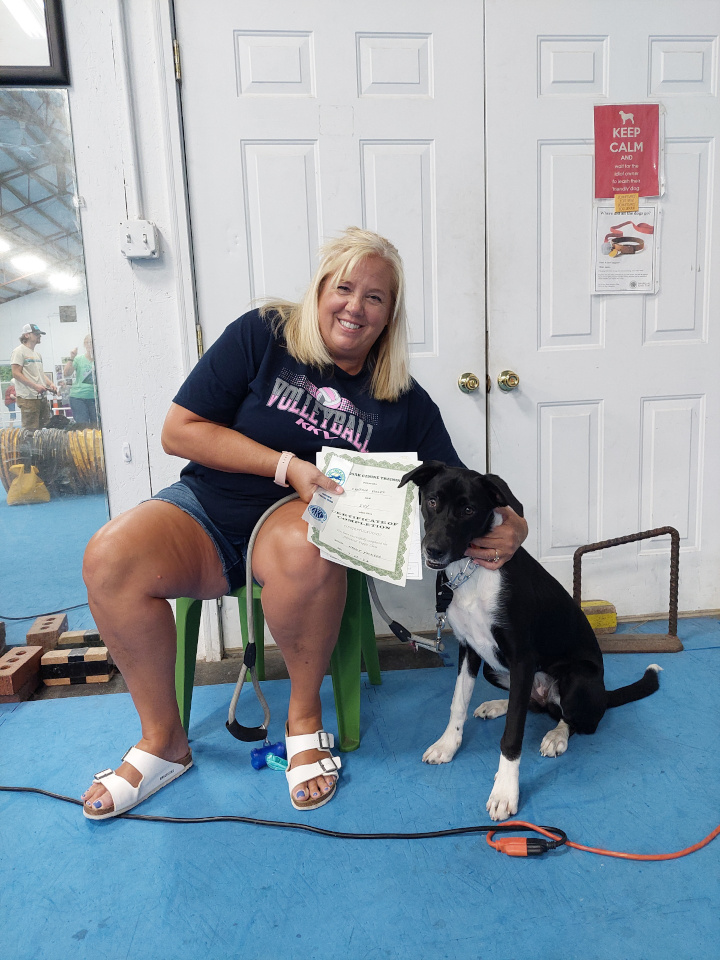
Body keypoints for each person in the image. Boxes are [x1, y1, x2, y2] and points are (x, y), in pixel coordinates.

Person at [81, 227, 528, 820]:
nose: (356, 307)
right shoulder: (262, 334)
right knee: (109, 557)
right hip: (206, 508)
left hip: (295, 538)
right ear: (319, 291)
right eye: (344, 288)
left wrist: (512, 520)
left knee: (308, 543)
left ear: (390, 316)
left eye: (375, 298)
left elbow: (459, 483)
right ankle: (164, 740)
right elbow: (179, 430)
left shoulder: (406, 400)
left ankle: (303, 720)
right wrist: (285, 465)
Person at [10, 323, 59, 431]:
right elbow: (16, 373)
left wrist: (50, 384)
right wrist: (35, 386)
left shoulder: (37, 354)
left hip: (41, 398)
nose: (39, 336)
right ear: (27, 335)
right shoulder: (19, 351)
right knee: (30, 431)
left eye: (39, 334)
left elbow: (41, 374)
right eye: (36, 334)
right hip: (28, 399)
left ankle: (42, 448)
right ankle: (30, 448)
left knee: (44, 429)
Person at [63, 334, 98, 426]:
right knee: (82, 426)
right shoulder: (79, 359)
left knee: (97, 425)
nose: (90, 345)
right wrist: (71, 358)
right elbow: (66, 373)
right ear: (85, 345)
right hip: (79, 397)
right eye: (88, 343)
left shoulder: (101, 360)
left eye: (92, 342)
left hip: (96, 398)